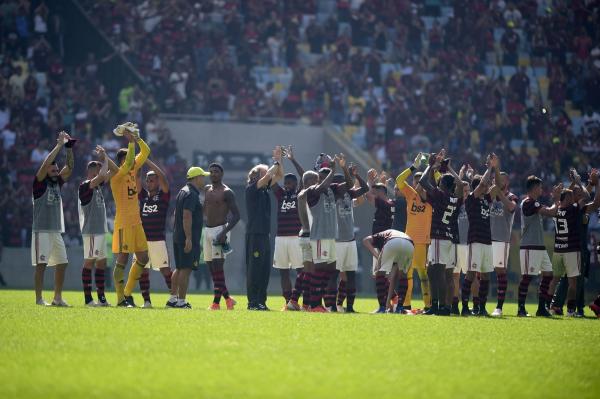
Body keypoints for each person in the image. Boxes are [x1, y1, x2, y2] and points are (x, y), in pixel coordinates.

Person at [109, 122, 150, 307]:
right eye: (128, 159)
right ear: (121, 162)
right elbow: (130, 159)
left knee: (143, 258)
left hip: (136, 222)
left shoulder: (132, 168)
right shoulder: (117, 176)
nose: (133, 161)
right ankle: (119, 299)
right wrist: (131, 140)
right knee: (123, 259)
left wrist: (137, 138)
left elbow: (146, 151)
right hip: (124, 223)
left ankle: (126, 293)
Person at [305, 154, 352, 312]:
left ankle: (324, 303)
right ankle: (314, 304)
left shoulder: (332, 190)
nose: (329, 179)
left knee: (331, 270)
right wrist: (332, 170)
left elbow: (350, 185)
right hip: (319, 236)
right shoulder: (313, 190)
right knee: (320, 268)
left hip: (331, 236)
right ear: (320, 178)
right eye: (325, 177)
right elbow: (322, 187)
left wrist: (344, 168)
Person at [420, 150, 465, 315]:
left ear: (442, 185)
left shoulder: (440, 195)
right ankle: (441, 306)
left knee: (437, 272)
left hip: (439, 237)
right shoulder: (456, 198)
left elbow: (424, 182)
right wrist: (448, 168)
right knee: (437, 272)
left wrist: (430, 166)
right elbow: (460, 184)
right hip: (450, 238)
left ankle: (439, 307)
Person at [549, 170, 599, 316]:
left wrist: (588, 183)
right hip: (576, 248)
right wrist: (581, 181)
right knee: (573, 281)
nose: (576, 194)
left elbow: (573, 193)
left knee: (566, 279)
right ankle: (568, 307)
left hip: (562, 249)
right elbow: (590, 198)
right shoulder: (577, 209)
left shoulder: (560, 208)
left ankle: (552, 305)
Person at [32, 131, 74, 306]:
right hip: (41, 229)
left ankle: (57, 298)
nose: (57, 171)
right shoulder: (39, 183)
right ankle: (39, 299)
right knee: (41, 265)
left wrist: (69, 148)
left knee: (62, 262)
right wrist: (58, 145)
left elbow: (70, 168)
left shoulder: (57, 182)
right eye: (54, 169)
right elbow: (45, 164)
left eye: (57, 169)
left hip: (56, 230)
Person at [517, 175, 562, 317]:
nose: (541, 189)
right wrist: (556, 199)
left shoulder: (533, 203)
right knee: (527, 277)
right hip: (530, 246)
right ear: (535, 188)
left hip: (539, 246)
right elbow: (550, 212)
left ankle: (541, 308)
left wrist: (556, 200)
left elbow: (550, 211)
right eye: (540, 187)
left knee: (548, 274)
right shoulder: (529, 202)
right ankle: (521, 309)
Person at [394, 153, 432, 313]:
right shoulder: (410, 195)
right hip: (408, 241)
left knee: (424, 275)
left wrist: (434, 166)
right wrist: (414, 167)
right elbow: (399, 181)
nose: (418, 183)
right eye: (416, 181)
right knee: (407, 275)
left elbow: (436, 179)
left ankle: (428, 305)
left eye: (420, 180)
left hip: (423, 242)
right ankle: (406, 306)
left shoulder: (432, 197)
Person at [460, 155, 498, 317]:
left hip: (486, 241)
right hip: (475, 240)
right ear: (478, 188)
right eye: (484, 186)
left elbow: (497, 187)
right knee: (470, 273)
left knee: (486, 274)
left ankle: (481, 308)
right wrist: (489, 167)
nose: (487, 186)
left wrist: (495, 167)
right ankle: (465, 308)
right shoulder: (471, 199)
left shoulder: (485, 200)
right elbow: (483, 183)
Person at [246, 147, 283, 310]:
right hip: (255, 234)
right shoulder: (251, 189)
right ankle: (252, 302)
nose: (269, 174)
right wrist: (274, 161)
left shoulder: (264, 189)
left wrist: (279, 160)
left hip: (264, 235)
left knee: (264, 270)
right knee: (254, 269)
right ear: (256, 176)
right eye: (264, 172)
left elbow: (279, 175)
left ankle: (261, 301)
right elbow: (270, 175)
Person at [171, 167, 210, 308]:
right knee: (186, 269)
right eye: (202, 176)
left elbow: (176, 213)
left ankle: (172, 299)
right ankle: (181, 301)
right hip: (187, 237)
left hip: (178, 235)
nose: (204, 179)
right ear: (196, 178)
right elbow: (186, 215)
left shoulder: (183, 191)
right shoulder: (192, 194)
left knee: (179, 268)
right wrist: (188, 238)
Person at [137, 159, 174, 308]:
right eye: (148, 180)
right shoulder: (143, 196)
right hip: (142, 240)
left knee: (165, 270)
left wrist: (147, 161)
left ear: (158, 182)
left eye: (152, 180)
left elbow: (163, 177)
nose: (149, 182)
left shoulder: (163, 195)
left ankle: (174, 297)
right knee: (143, 270)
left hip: (158, 240)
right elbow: (135, 179)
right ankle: (146, 301)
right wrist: (138, 162)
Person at [204, 162, 241, 310]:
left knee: (218, 268)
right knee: (211, 268)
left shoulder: (227, 192)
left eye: (216, 172)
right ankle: (228, 299)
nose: (213, 174)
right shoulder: (207, 189)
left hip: (220, 231)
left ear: (222, 174)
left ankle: (216, 303)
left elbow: (237, 215)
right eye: (211, 171)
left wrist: (224, 232)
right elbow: (204, 208)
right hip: (206, 231)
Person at [272, 146, 304, 310]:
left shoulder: (299, 193)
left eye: (290, 183)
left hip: (295, 237)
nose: (287, 185)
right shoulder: (281, 194)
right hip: (280, 238)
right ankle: (287, 302)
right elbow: (271, 180)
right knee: (283, 271)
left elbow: (304, 175)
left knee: (300, 271)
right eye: (286, 182)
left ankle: (298, 300)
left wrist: (292, 159)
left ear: (296, 184)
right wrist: (277, 161)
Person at [332, 165, 368, 312]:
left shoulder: (349, 195)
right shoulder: (332, 196)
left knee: (351, 274)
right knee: (335, 275)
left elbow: (364, 190)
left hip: (350, 240)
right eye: (343, 184)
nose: (345, 186)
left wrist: (356, 176)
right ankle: (332, 305)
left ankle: (350, 307)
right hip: (337, 241)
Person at [78, 146, 111, 306]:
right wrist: (105, 158)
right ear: (93, 171)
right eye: (98, 170)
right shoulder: (85, 185)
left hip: (100, 230)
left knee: (101, 263)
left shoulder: (97, 187)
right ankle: (88, 298)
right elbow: (105, 174)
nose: (101, 173)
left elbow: (113, 173)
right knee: (89, 262)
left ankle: (101, 298)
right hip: (91, 230)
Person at [488, 168, 519, 317]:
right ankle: (479, 305)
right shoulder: (490, 195)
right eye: (495, 179)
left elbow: (512, 208)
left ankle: (499, 307)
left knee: (500, 272)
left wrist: (499, 192)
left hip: (501, 239)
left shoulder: (511, 196)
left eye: (499, 179)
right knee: (482, 272)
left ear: (506, 182)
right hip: (486, 238)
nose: (496, 181)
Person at [362, 229, 414, 314]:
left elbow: (365, 240)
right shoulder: (391, 233)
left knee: (379, 273)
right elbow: (394, 278)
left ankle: (382, 308)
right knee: (403, 276)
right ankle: (399, 308)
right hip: (410, 244)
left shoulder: (380, 235)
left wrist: (377, 256)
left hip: (393, 241)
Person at [366, 168, 395, 313]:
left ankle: (384, 306)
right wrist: (380, 183)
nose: (374, 193)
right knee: (384, 274)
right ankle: (392, 302)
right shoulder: (392, 203)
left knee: (380, 274)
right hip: (390, 242)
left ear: (382, 193)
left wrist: (370, 180)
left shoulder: (383, 203)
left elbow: (367, 195)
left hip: (380, 243)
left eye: (376, 191)